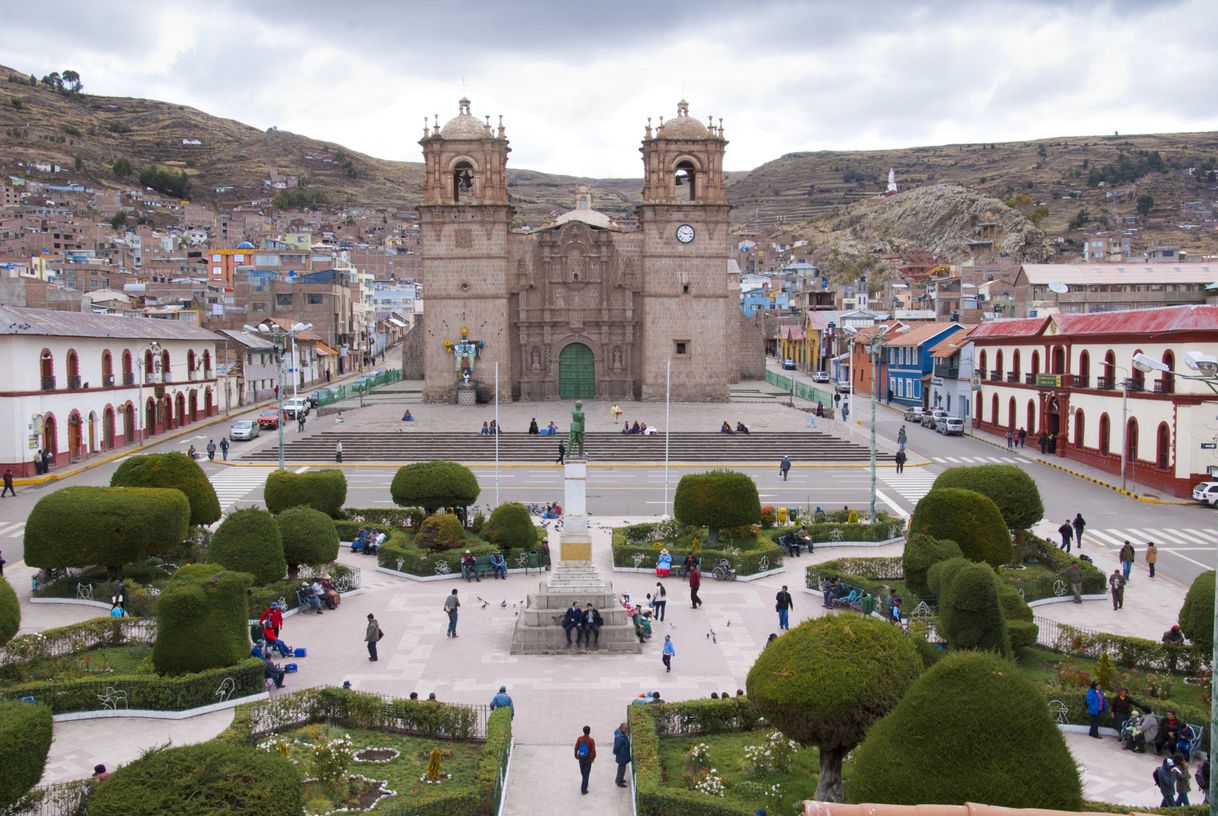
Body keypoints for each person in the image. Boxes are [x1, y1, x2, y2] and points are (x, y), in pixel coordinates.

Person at [574, 725, 596, 795]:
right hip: (588, 759)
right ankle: (584, 790)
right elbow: (593, 751)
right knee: (586, 774)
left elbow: (576, 747)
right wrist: (593, 758)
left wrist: (576, 755)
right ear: (589, 732)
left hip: (581, 758)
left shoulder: (579, 739)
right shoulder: (591, 740)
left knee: (583, 772)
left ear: (583, 731)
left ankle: (585, 781)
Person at [613, 722, 631, 788]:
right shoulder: (620, 737)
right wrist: (615, 752)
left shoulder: (620, 733)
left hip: (622, 755)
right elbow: (616, 747)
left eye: (627, 728)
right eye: (625, 728)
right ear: (621, 728)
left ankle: (618, 779)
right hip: (622, 756)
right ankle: (619, 782)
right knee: (621, 769)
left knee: (621, 768)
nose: (626, 730)